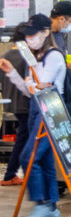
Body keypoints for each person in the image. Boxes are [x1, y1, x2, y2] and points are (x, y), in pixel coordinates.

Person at [0, 15, 64, 217]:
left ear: (46, 32)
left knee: (30, 156)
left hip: (52, 112)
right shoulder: (34, 59)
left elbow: (43, 82)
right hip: (37, 109)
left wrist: (32, 69)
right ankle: (51, 207)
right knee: (43, 160)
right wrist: (13, 74)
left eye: (33, 34)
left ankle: (41, 205)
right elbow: (30, 91)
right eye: (27, 36)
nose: (29, 39)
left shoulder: (53, 56)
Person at [1, 25, 31, 186]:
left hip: (10, 103)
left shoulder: (5, 56)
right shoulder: (26, 56)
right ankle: (10, 174)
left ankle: (12, 173)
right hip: (25, 103)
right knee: (24, 139)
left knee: (23, 139)